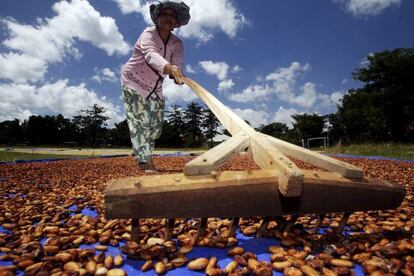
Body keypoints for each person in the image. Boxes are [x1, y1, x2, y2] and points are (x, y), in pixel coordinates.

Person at [120, 1, 190, 171]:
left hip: (155, 88)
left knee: (155, 126)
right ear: (157, 17)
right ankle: (144, 162)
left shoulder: (177, 43)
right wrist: (170, 69)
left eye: (173, 16)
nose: (168, 18)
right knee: (140, 122)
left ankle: (143, 153)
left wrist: (177, 74)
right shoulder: (148, 33)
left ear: (177, 22)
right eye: (164, 14)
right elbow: (150, 54)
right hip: (133, 81)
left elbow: (177, 62)